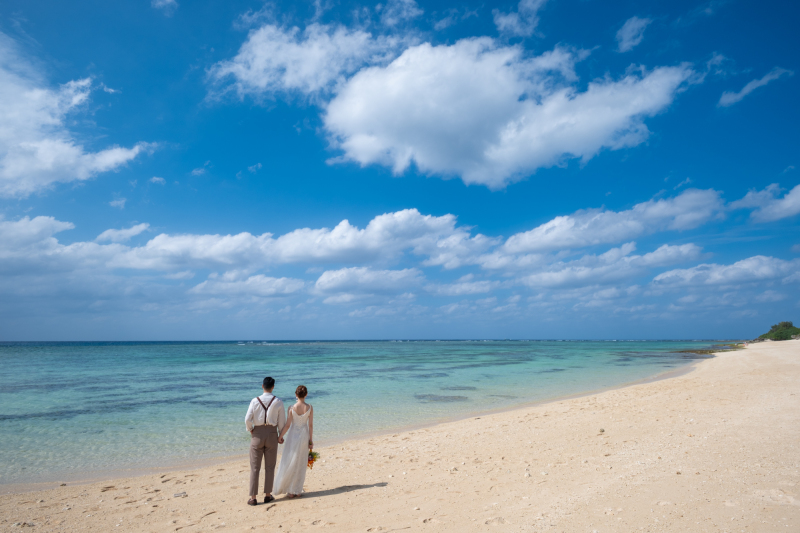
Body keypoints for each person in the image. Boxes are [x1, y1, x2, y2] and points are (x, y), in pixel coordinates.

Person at [244, 376, 286, 506]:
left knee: (254, 467)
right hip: (272, 433)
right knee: (270, 466)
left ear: (262, 386)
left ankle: (253, 498)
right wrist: (280, 435)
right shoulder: (278, 401)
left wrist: (251, 430)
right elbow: (282, 422)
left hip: (257, 433)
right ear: (273, 387)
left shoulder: (254, 401)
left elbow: (247, 419)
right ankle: (268, 495)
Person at [273, 385, 314, 498]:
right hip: (304, 435)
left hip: (293, 436)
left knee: (291, 460)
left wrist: (280, 436)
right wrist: (311, 440)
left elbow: (287, 425)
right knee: (301, 461)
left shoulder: (291, 408)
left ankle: (291, 491)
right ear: (306, 395)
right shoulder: (310, 407)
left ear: (296, 395)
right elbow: (310, 425)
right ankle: (298, 490)